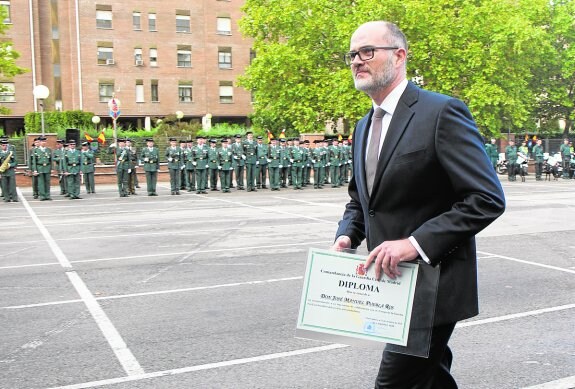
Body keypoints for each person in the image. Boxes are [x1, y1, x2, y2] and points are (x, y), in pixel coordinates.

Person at [332, 21, 505, 389]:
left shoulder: (441, 113)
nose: (356, 62)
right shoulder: (364, 127)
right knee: (431, 381)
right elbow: (362, 199)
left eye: (367, 52)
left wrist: (415, 243)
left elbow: (486, 198)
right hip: (391, 287)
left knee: (395, 384)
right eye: (352, 54)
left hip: (433, 286)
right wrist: (348, 234)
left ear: (399, 55)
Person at [31, 136, 53, 201]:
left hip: (47, 167)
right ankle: (42, 196)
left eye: (45, 141)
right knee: (41, 183)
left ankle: (47, 195)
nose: (44, 142)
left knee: (47, 182)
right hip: (39, 167)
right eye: (42, 141)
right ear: (40, 142)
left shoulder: (48, 150)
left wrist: (51, 168)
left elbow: (50, 160)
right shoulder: (35, 150)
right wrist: (35, 169)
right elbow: (34, 161)